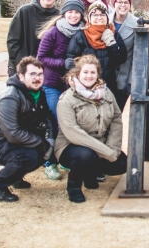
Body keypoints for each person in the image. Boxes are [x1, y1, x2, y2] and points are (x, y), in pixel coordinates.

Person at [0, 57, 54, 202]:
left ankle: (15, 177)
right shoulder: (9, 98)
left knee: (43, 151)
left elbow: (46, 116)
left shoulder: (38, 92)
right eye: (32, 74)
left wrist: (50, 139)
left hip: (12, 140)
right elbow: (13, 134)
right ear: (21, 76)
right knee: (30, 156)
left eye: (40, 74)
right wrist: (43, 144)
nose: (37, 78)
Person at [55, 55, 127, 203]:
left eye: (92, 73)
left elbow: (116, 119)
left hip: (99, 144)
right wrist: (106, 152)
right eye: (85, 72)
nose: (89, 76)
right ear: (77, 74)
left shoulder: (106, 93)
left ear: (98, 74)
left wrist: (113, 148)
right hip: (71, 147)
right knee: (86, 156)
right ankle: (74, 187)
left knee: (122, 164)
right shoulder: (67, 99)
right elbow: (72, 132)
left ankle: (90, 174)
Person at [36, 0, 86, 181]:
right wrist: (62, 63)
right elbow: (41, 57)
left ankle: (64, 157)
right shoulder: (53, 33)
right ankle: (49, 163)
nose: (73, 15)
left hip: (73, 86)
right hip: (53, 85)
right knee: (55, 122)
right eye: (70, 12)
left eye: (76, 12)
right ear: (64, 13)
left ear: (81, 14)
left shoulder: (83, 32)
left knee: (71, 124)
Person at [66, 1, 127, 93]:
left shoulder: (113, 33)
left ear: (107, 17)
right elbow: (70, 61)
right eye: (94, 15)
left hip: (108, 86)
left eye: (102, 14)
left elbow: (121, 59)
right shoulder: (81, 36)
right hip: (86, 86)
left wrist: (112, 44)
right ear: (89, 18)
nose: (99, 18)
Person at [6, 0, 60, 76]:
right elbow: (13, 41)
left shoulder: (59, 16)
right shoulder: (24, 11)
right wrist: (22, 65)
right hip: (21, 69)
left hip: (46, 72)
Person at [110, 0, 139, 111]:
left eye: (126, 2)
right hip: (106, 76)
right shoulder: (104, 21)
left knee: (116, 114)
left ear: (130, 5)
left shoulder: (137, 24)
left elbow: (137, 56)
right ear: (114, 4)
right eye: (119, 2)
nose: (123, 5)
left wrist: (131, 81)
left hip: (123, 78)